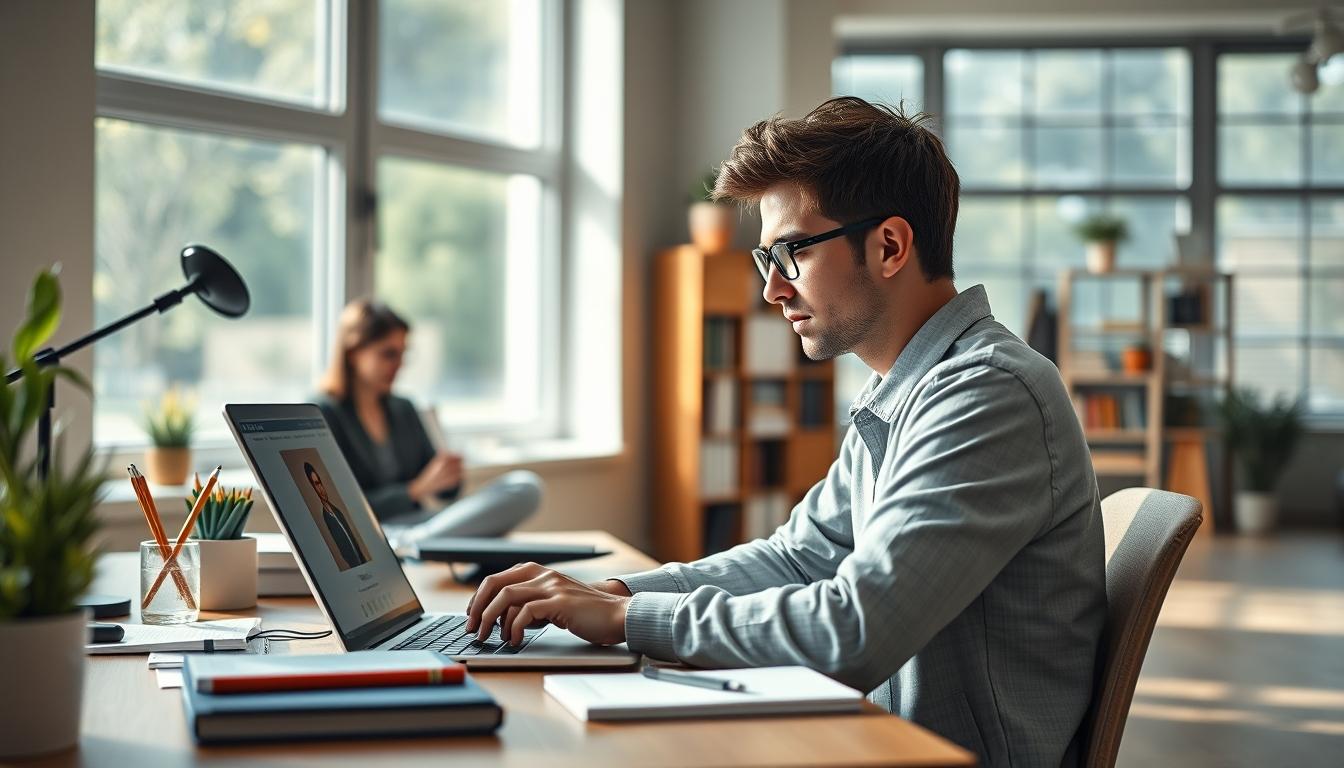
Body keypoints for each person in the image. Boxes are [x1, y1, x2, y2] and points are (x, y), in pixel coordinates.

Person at [463, 97, 1107, 767]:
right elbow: (798, 556)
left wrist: (627, 621)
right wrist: (616, 592)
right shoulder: (906, 388)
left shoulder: (986, 394)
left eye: (792, 252)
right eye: (765, 258)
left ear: (889, 246)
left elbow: (851, 633)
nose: (772, 290)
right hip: (873, 740)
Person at [315, 299, 542, 534]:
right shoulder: (325, 413)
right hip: (371, 531)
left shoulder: (404, 409)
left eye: (403, 354)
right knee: (472, 532)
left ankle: (427, 540)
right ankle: (426, 541)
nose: (399, 365)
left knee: (524, 487)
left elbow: (444, 493)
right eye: (388, 354)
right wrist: (414, 490)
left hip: (422, 523)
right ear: (353, 353)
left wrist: (448, 475)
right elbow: (341, 506)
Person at [302, 461, 368, 569]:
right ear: (312, 487)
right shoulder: (326, 517)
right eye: (316, 484)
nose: (321, 489)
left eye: (320, 483)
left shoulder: (337, 511)